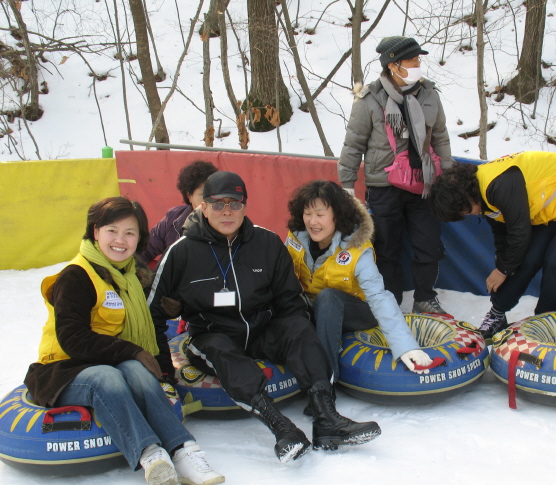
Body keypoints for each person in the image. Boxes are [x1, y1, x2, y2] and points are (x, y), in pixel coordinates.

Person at [148, 171, 380, 462]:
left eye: (235, 203)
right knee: (222, 351)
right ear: (203, 207)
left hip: (262, 328)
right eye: (218, 204)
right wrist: (163, 372)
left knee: (299, 327)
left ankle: (326, 417)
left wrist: (295, 330)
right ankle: (281, 427)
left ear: (245, 206)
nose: (227, 211)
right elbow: (153, 313)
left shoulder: (266, 243)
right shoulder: (181, 252)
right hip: (214, 332)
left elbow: (289, 299)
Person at [24, 197, 224, 485]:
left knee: (136, 369)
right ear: (95, 232)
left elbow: (150, 330)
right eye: (112, 231)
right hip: (62, 367)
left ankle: (184, 450)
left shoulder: (131, 275)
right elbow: (72, 337)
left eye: (130, 233)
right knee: (110, 376)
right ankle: (151, 455)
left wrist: (163, 372)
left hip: (107, 359)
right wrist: (130, 351)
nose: (121, 240)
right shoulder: (77, 276)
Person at [429, 152, 556, 340]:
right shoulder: (479, 192)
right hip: (555, 204)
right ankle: (497, 314)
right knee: (526, 259)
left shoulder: (498, 185)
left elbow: (520, 233)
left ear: (464, 197)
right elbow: (502, 232)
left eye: (463, 211)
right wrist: (502, 263)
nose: (466, 215)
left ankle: (547, 324)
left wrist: (502, 271)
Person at [337, 36, 453, 315]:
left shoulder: (429, 94)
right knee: (387, 250)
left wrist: (448, 179)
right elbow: (353, 144)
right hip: (384, 186)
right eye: (412, 60)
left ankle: (426, 298)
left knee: (428, 244)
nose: (417, 64)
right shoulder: (368, 99)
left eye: (418, 59)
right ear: (393, 65)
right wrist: (347, 185)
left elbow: (441, 136)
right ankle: (390, 303)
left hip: (424, 185)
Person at [286, 179, 434, 380]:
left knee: (328, 297)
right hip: (312, 307)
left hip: (356, 310)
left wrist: (406, 346)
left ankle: (324, 380)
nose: (313, 222)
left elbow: (379, 297)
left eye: (320, 215)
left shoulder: (356, 249)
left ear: (336, 216)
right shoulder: (295, 238)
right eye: (308, 214)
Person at [140, 160, 218, 265]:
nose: (209, 201)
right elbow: (143, 251)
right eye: (203, 195)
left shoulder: (226, 222)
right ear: (189, 196)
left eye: (214, 195)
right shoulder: (173, 219)